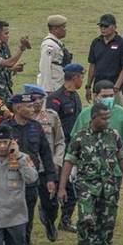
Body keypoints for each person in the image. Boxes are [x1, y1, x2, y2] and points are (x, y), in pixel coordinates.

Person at [59, 103, 123, 245]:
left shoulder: (113, 135)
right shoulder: (80, 137)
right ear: (94, 118)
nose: (107, 121)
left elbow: (121, 156)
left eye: (109, 117)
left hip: (109, 186)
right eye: (103, 118)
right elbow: (69, 160)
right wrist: (62, 187)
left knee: (106, 222)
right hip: (87, 185)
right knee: (86, 218)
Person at [70, 80, 123, 245]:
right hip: (88, 175)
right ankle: (88, 244)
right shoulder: (85, 115)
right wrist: (72, 168)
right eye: (104, 96)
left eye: (111, 96)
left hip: (112, 173)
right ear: (95, 96)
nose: (108, 99)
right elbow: (74, 144)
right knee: (88, 211)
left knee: (109, 211)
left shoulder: (122, 114)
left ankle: (105, 242)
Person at [2, 94, 57, 245]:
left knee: (28, 211)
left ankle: (25, 241)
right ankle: (12, 240)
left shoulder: (36, 126)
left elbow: (45, 153)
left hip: (31, 177)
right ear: (18, 108)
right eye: (29, 106)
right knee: (11, 211)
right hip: (10, 177)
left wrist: (51, 178)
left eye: (33, 106)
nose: (33, 109)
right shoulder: (6, 127)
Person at [46, 64, 85, 230]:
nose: (82, 80)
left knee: (73, 185)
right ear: (75, 77)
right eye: (81, 77)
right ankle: (50, 216)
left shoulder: (75, 96)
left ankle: (66, 219)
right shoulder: (55, 98)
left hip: (74, 147)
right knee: (59, 182)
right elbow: (50, 125)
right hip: (60, 148)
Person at [26, 85, 65, 242]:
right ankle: (26, 241)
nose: (37, 102)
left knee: (51, 204)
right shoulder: (23, 118)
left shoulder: (51, 116)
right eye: (33, 99)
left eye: (40, 99)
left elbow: (60, 141)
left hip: (47, 168)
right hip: (28, 169)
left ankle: (49, 222)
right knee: (27, 207)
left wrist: (57, 160)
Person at [86, 13, 123, 105]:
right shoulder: (96, 42)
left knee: (117, 115)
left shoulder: (122, 44)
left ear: (114, 27)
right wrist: (88, 86)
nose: (103, 29)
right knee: (98, 116)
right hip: (98, 88)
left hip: (114, 88)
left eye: (106, 26)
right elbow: (92, 65)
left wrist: (116, 87)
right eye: (101, 26)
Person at [0, 19, 30, 98]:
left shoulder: (4, 47)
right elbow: (9, 63)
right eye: (6, 34)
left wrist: (14, 69)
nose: (8, 36)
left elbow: (6, 68)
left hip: (6, 90)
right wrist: (21, 48)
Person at [38, 15, 72, 94]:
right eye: (63, 27)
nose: (65, 29)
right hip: (53, 86)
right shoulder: (49, 45)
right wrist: (46, 88)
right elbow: (45, 66)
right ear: (55, 29)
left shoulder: (56, 42)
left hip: (58, 83)